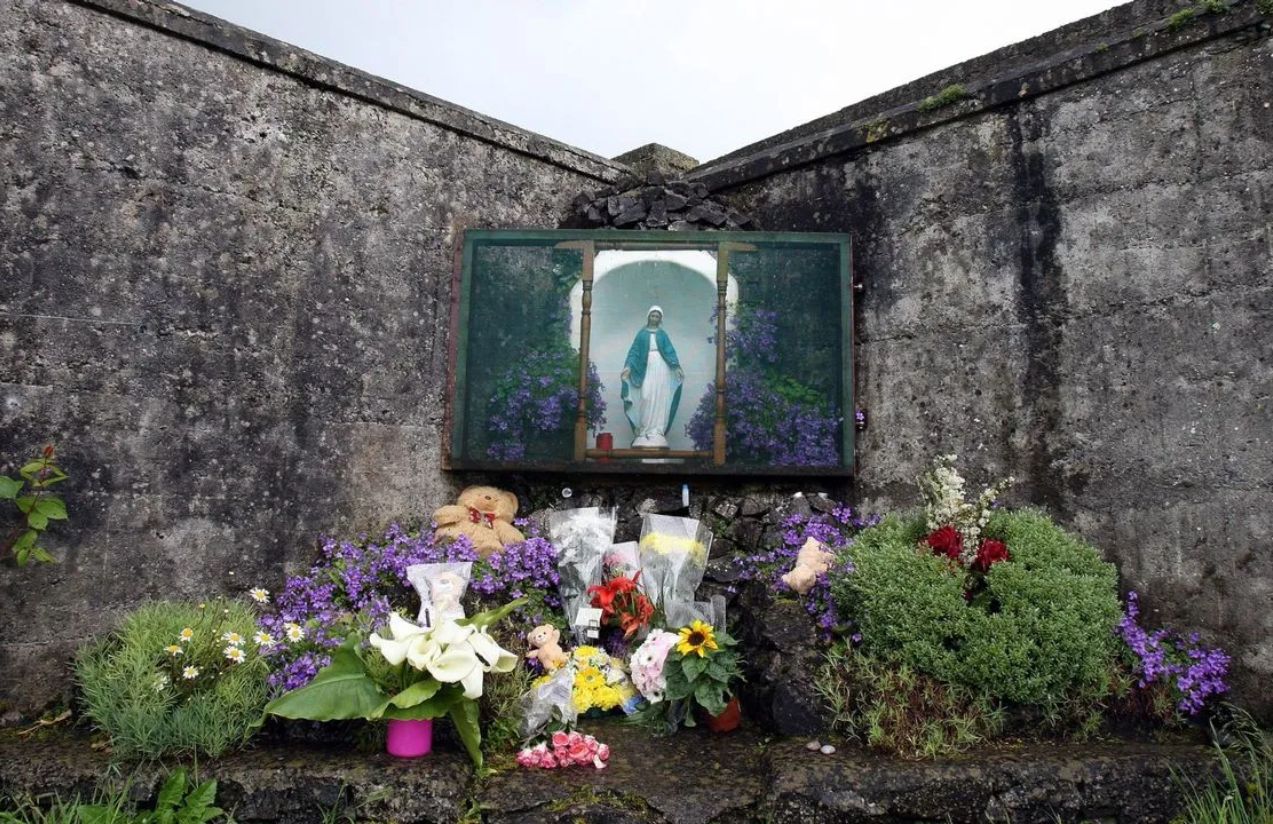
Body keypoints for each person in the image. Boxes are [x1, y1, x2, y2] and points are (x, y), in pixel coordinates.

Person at [621, 306, 684, 448]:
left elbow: (670, 351)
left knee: (660, 397)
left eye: (657, 316)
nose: (654, 318)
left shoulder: (662, 334)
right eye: (652, 316)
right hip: (646, 367)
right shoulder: (642, 334)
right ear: (648, 317)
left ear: (660, 319)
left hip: (661, 368)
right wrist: (628, 367)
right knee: (646, 396)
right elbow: (634, 351)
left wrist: (676, 366)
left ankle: (657, 431)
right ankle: (643, 430)